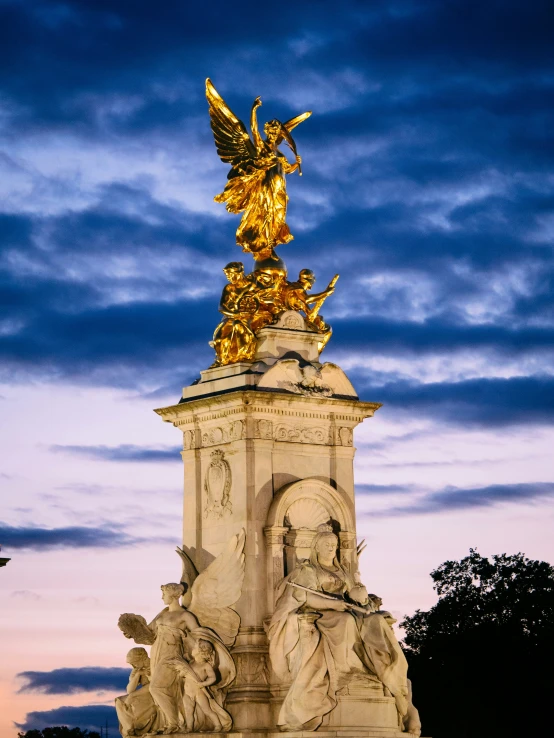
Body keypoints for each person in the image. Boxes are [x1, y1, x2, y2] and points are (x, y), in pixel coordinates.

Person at [268, 525, 411, 731]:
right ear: (316, 547)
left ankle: (390, 676)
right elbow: (303, 596)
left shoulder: (344, 571)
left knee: (377, 622)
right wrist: (333, 604)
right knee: (345, 621)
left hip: (350, 610)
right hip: (324, 615)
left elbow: (352, 594)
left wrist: (361, 598)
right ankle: (348, 671)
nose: (330, 548)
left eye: (334, 545)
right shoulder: (309, 570)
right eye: (326, 545)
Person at [170, 639, 232, 733]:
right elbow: (182, 675)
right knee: (188, 711)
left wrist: (203, 683)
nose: (192, 648)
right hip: (187, 692)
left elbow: (213, 678)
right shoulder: (190, 663)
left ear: (201, 652)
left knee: (207, 710)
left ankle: (218, 725)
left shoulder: (205, 665)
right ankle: (189, 727)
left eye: (195, 647)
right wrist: (182, 673)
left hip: (199, 692)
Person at [211, 262, 257, 366]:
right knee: (219, 339)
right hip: (230, 316)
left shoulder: (252, 286)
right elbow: (221, 306)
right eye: (227, 275)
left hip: (248, 317)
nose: (229, 277)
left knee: (238, 326)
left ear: (240, 272)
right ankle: (223, 359)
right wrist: (233, 313)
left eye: (232, 274)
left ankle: (243, 355)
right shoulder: (229, 288)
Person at [115, 647, 162, 737]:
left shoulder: (155, 664)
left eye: (134, 662)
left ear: (140, 658)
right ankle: (129, 729)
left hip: (154, 693)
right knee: (119, 701)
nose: (133, 665)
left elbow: (154, 686)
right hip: (143, 693)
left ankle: (137, 726)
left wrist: (133, 696)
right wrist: (138, 675)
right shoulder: (136, 670)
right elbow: (129, 690)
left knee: (132, 701)